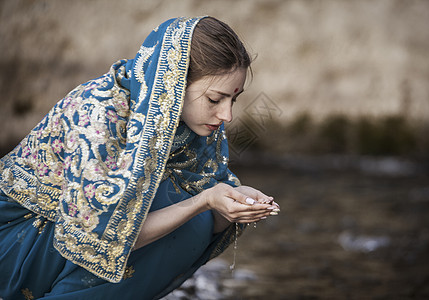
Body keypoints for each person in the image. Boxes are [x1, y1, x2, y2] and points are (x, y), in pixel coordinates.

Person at [0, 16, 280, 299]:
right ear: (174, 83)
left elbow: (204, 221)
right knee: (177, 200)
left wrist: (234, 202)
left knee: (188, 203)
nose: (227, 115)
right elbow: (97, 237)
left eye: (234, 100)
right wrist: (204, 201)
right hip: (20, 242)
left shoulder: (193, 129)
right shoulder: (98, 112)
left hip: (71, 244)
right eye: (214, 99)